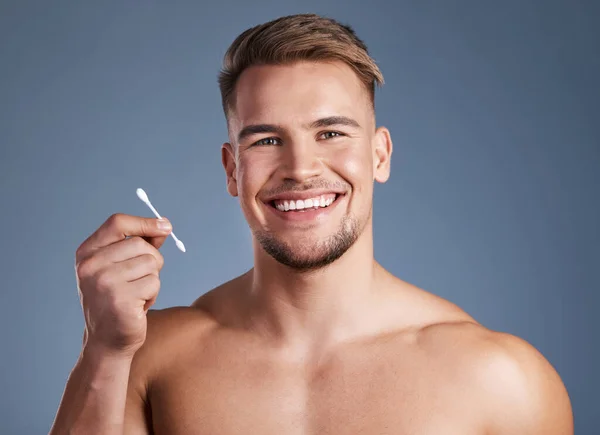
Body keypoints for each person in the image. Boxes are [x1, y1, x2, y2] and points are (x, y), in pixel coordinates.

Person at [50, 13, 573, 434]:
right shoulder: (151, 360)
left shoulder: (503, 380)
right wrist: (104, 350)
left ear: (380, 156)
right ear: (233, 169)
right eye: (266, 140)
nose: (300, 168)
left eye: (331, 134)